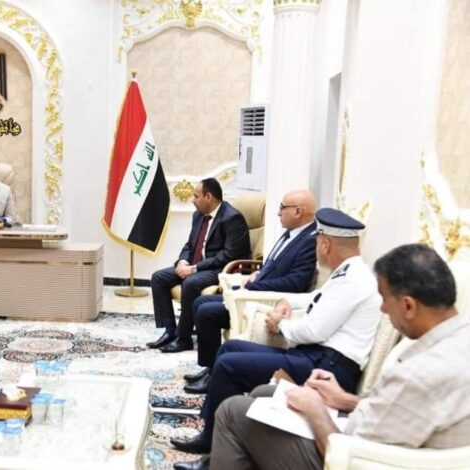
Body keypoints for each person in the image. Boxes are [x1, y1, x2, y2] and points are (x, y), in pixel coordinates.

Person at [207, 243, 470, 470]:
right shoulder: (458, 340)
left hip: (351, 458)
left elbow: (352, 455)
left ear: (409, 306)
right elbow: (401, 411)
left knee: (232, 412)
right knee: (265, 393)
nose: (382, 309)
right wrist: (345, 400)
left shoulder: (421, 374)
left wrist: (315, 408)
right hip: (374, 439)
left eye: (385, 299)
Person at [171, 208, 381, 470]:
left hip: (328, 370)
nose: (316, 247)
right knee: (230, 348)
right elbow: (314, 299)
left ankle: (212, 453)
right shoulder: (347, 272)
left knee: (228, 366)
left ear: (326, 244)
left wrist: (279, 325)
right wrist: (285, 301)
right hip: (317, 358)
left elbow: (314, 331)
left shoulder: (353, 280)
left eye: (317, 241)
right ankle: (211, 437)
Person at [185, 190, 318, 394]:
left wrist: (252, 287)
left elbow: (294, 283)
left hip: (263, 301)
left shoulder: (309, 240)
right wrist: (257, 274)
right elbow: (273, 266)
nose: (278, 213)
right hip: (255, 291)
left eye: (282, 208)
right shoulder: (292, 233)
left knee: (206, 312)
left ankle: (214, 375)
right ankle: (210, 367)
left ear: (298, 211)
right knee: (200, 303)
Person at [148, 178, 250, 353]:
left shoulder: (232, 218)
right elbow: (190, 245)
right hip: (196, 266)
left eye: (196, 196)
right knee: (159, 278)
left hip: (219, 269)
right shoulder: (198, 215)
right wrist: (183, 261)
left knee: (190, 283)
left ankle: (184, 338)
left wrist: (194, 268)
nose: (193, 200)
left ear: (209, 197)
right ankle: (170, 331)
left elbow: (228, 255)